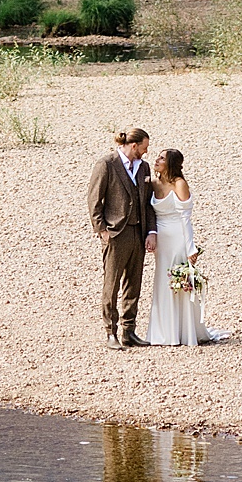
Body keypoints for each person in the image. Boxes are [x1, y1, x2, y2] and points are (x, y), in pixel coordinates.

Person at [86, 127, 157, 347]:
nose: (146, 153)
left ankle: (129, 331)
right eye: (144, 148)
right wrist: (103, 231)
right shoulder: (106, 164)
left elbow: (148, 203)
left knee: (134, 283)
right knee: (112, 284)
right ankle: (111, 332)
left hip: (138, 232)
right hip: (116, 234)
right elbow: (94, 200)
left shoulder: (143, 167)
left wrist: (151, 231)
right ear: (133, 146)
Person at [144, 148, 219, 345]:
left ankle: (184, 330)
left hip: (177, 236)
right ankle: (163, 332)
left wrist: (190, 247)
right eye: (158, 156)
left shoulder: (179, 184)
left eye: (162, 158)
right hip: (161, 239)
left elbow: (186, 218)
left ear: (171, 163)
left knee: (178, 280)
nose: (157, 159)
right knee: (162, 281)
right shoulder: (152, 183)